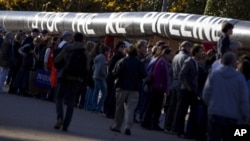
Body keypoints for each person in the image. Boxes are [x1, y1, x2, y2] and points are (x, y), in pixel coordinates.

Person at [203, 52, 249, 141]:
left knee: (213, 138)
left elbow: (206, 94)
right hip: (232, 116)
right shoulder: (239, 78)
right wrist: (245, 115)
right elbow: (243, 99)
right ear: (233, 63)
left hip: (215, 113)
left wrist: (211, 106)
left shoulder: (214, 74)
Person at [53, 32, 89, 132]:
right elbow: (87, 67)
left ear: (74, 38)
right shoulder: (85, 51)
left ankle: (60, 117)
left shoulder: (68, 47)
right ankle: (66, 125)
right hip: (77, 80)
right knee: (71, 101)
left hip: (65, 76)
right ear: (82, 40)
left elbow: (57, 59)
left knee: (59, 98)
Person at [110, 46, 146, 135]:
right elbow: (144, 74)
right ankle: (128, 126)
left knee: (119, 107)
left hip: (121, 86)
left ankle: (117, 126)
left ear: (127, 52)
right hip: (135, 88)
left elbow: (115, 73)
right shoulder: (139, 63)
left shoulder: (122, 61)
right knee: (131, 108)